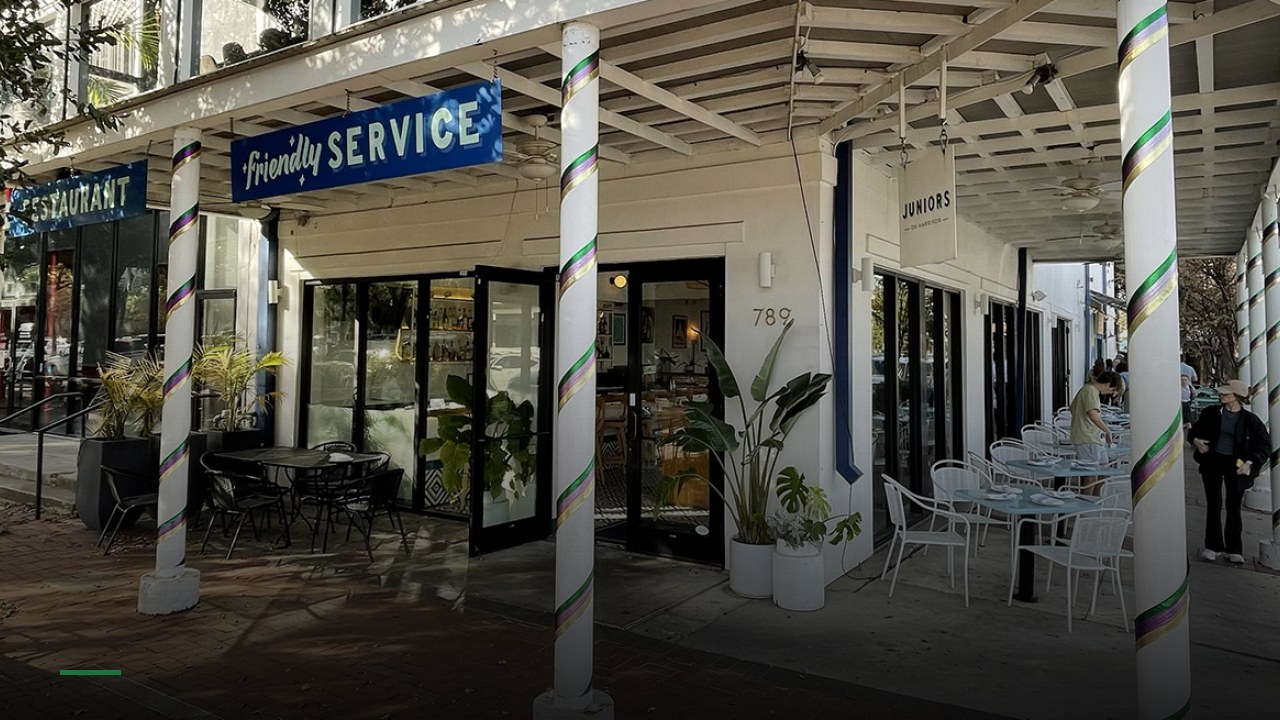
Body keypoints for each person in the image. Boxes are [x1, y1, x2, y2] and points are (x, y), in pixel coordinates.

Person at [1188, 379, 1269, 565]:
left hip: (1236, 463)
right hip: (1213, 461)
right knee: (1213, 503)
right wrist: (1197, 442)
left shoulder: (1250, 421)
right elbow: (1194, 432)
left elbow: (1263, 444)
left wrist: (1249, 462)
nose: (1222, 395)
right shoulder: (1211, 413)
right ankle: (1212, 546)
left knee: (1234, 505)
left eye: (1226, 393)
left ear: (1237, 397)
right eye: (1222, 393)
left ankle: (1234, 549)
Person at [1069, 370, 1122, 477]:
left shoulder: (1086, 390)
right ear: (1107, 384)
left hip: (1092, 438)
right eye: (1112, 389)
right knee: (1092, 475)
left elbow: (1072, 408)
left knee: (1103, 472)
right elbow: (1093, 415)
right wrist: (1107, 430)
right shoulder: (1091, 391)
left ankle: (1098, 494)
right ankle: (1089, 494)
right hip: (1088, 438)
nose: (1111, 393)